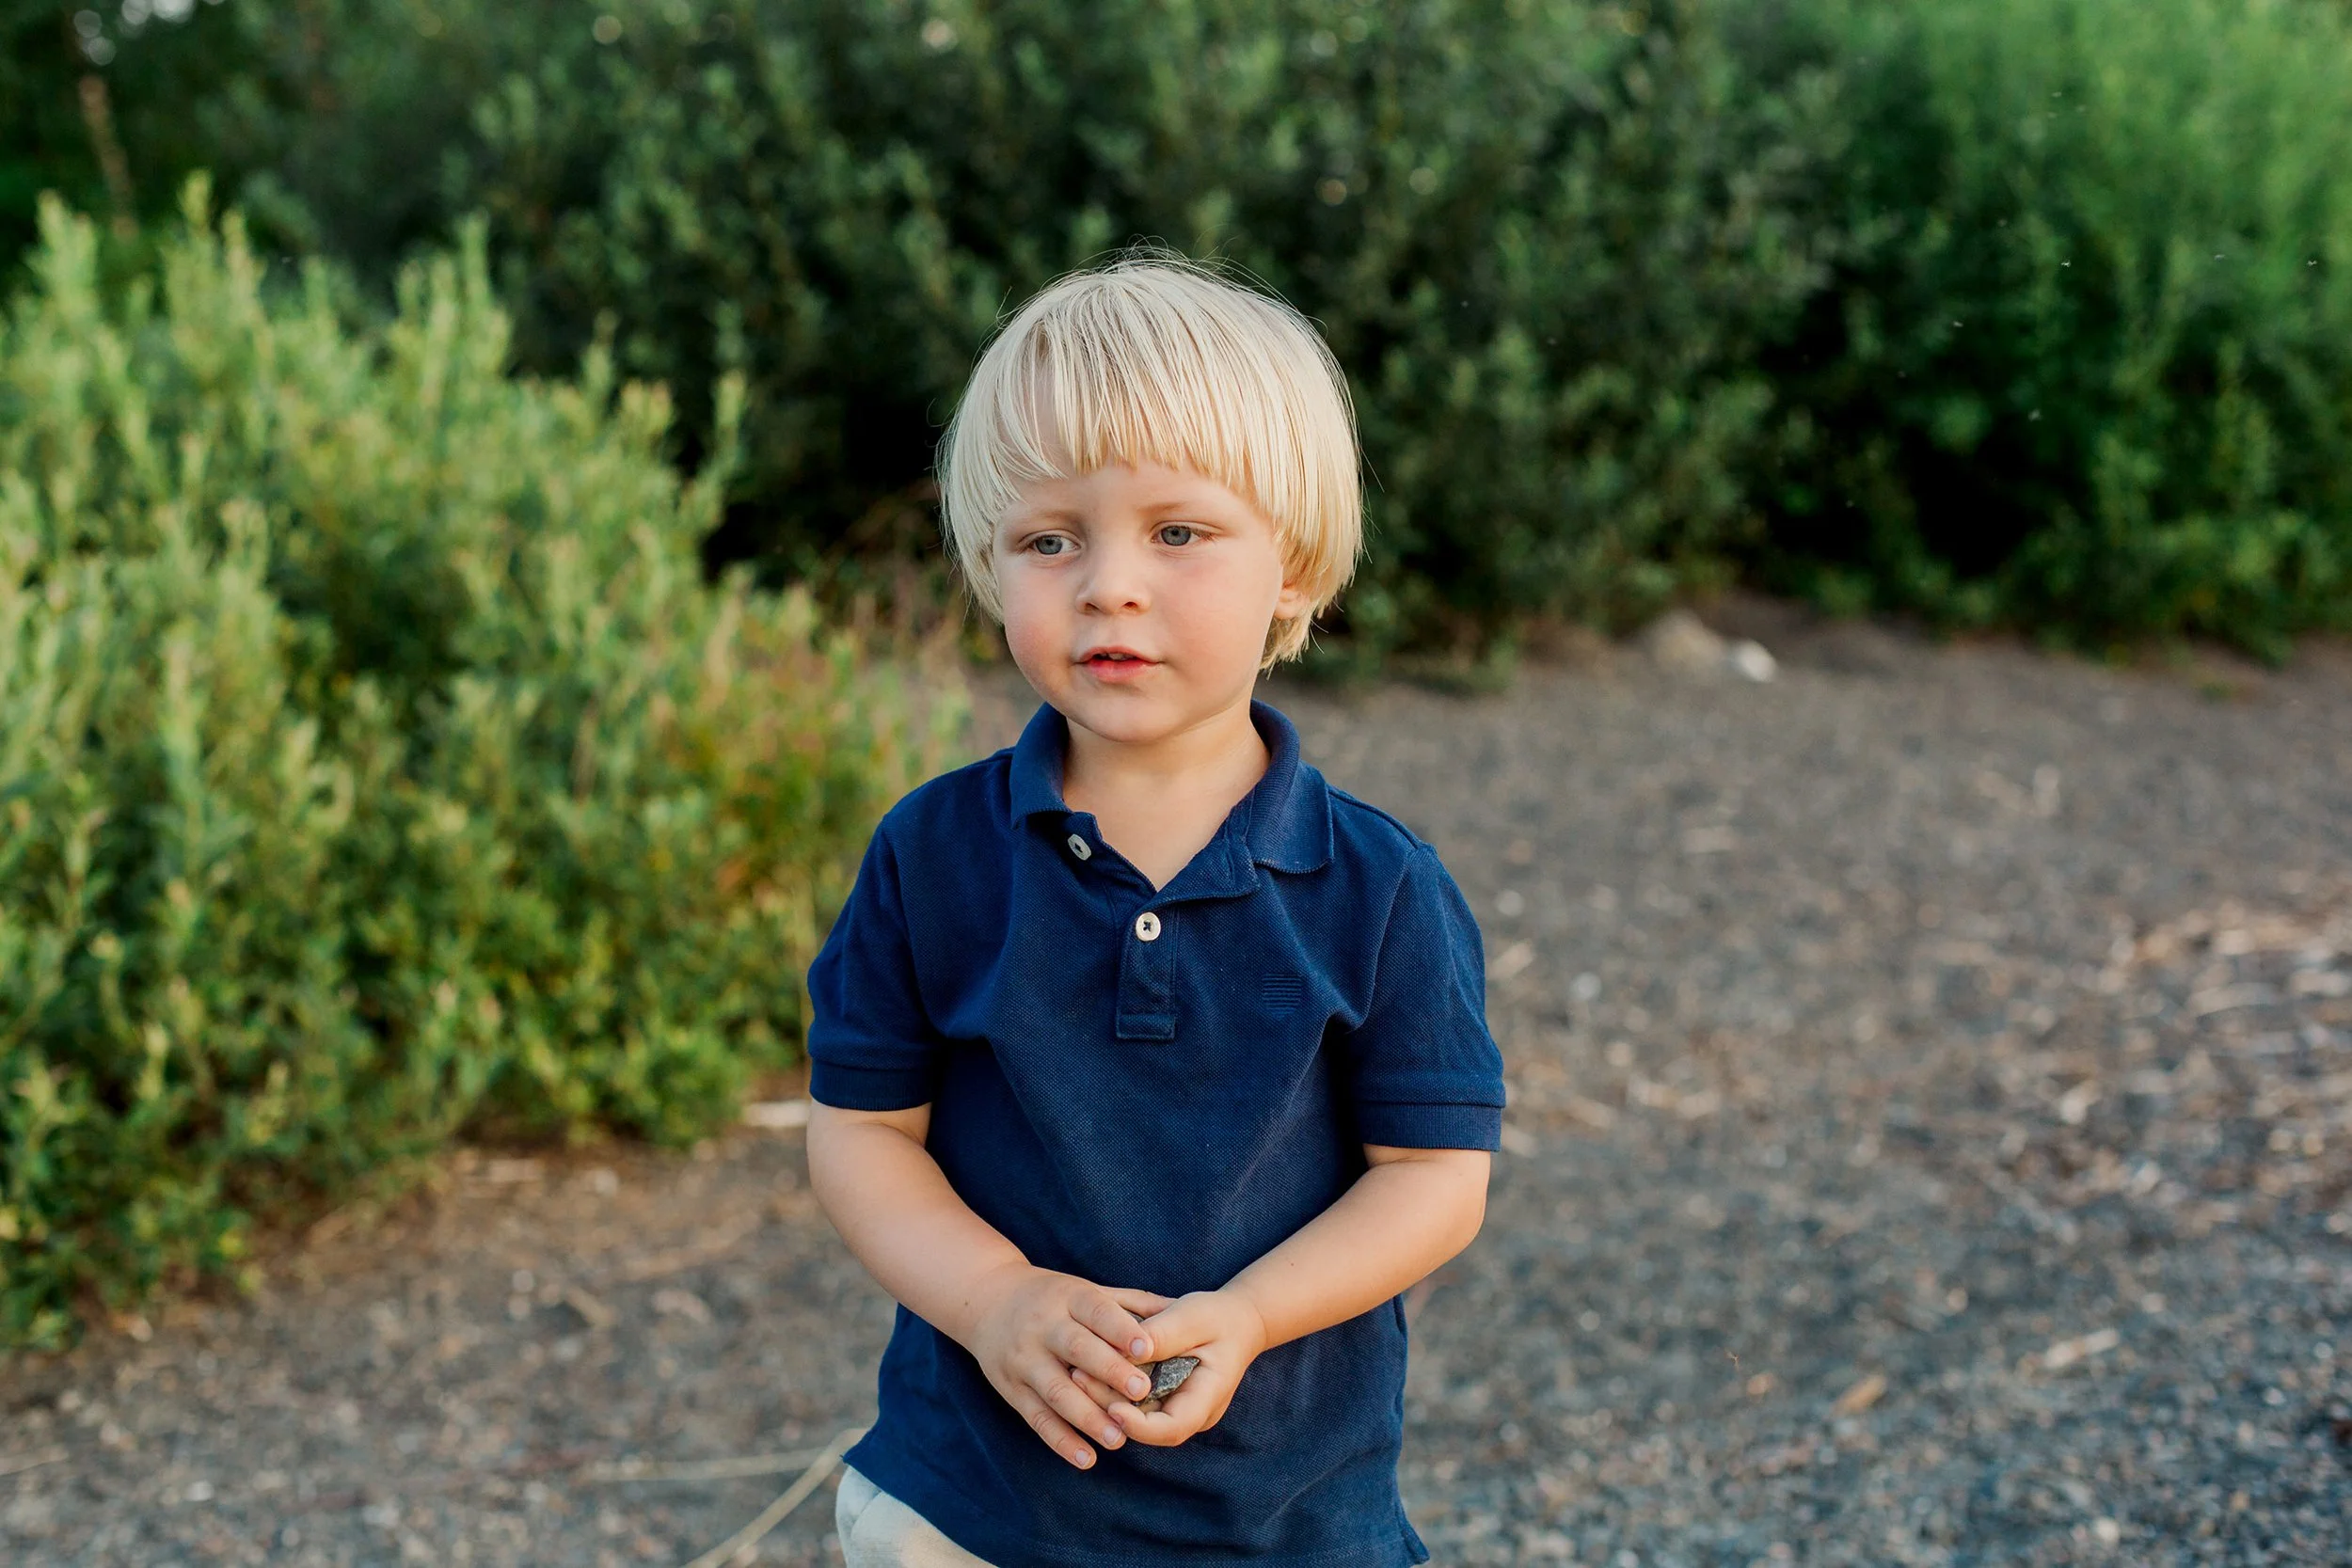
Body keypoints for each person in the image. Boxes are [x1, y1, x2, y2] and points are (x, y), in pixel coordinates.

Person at [804, 251, 1505, 1567]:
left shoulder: (1378, 887)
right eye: (1048, 539)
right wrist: (997, 1297)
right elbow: (861, 1137)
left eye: (1177, 533)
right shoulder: (933, 855)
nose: (1107, 584)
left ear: (1293, 567)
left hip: (1284, 1516)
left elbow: (1434, 1182)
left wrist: (1249, 1311)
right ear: (987, 562)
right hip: (973, 1507)